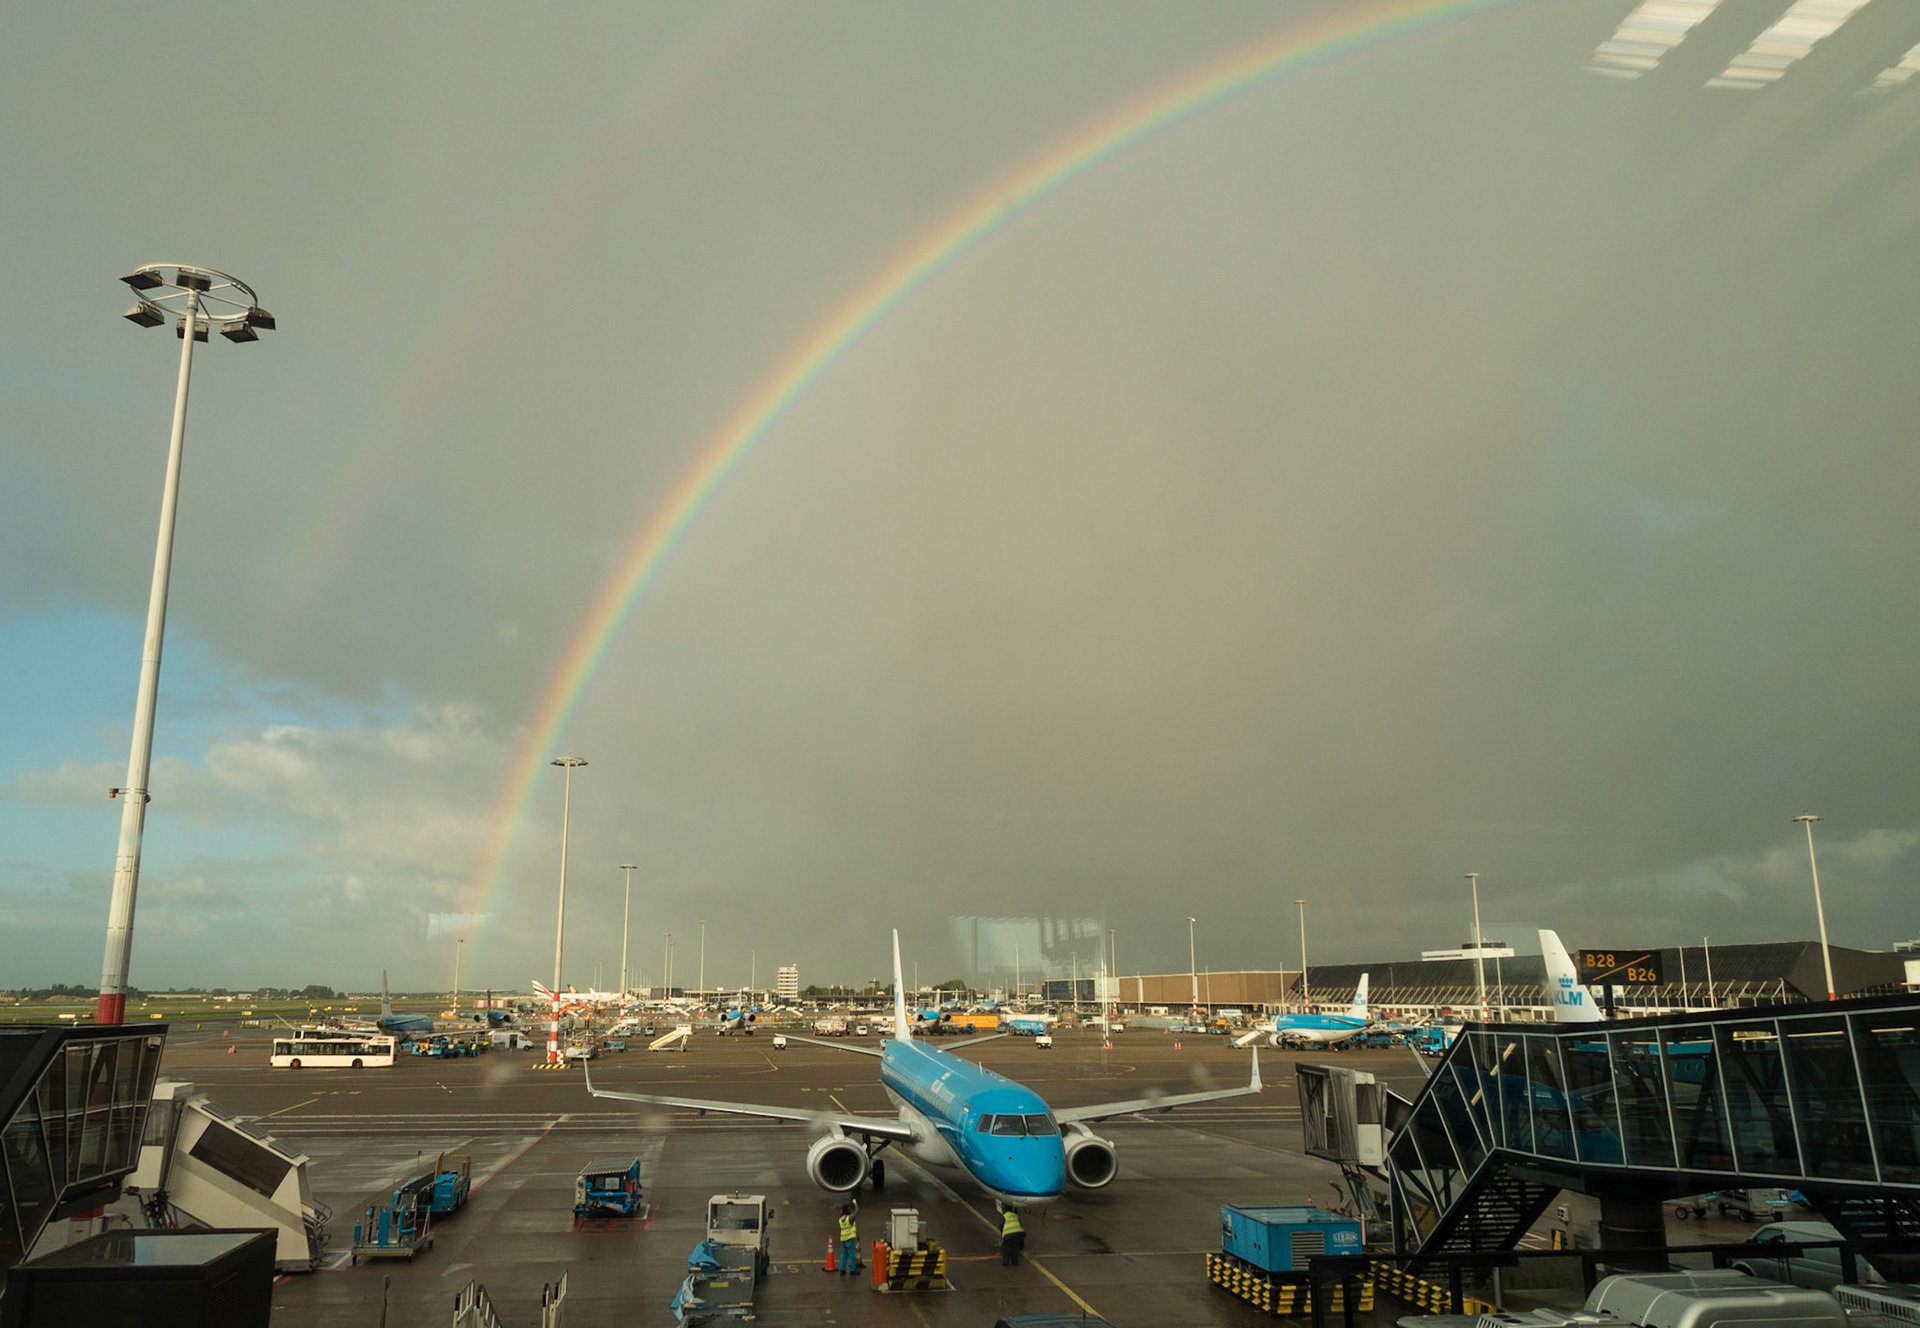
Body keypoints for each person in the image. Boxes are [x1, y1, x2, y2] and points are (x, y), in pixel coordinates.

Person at [837, 1202, 859, 1276]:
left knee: (844, 1256)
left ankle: (842, 1270)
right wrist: (855, 1203)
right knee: (852, 1255)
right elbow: (857, 1211)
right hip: (850, 1239)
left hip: (843, 1239)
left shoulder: (840, 1220)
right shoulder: (849, 1219)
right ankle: (853, 1270)